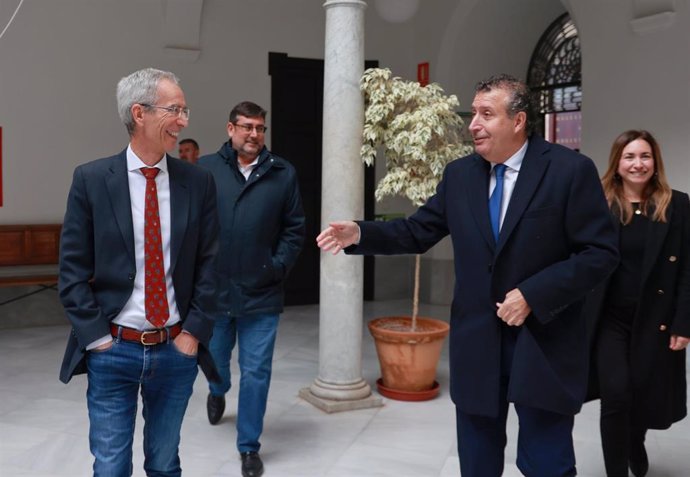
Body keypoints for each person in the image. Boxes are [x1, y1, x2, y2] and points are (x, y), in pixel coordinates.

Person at [317, 74, 619, 477]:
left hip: (544, 343)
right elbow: (417, 230)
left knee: (547, 463)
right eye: (473, 113)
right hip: (478, 343)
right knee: (477, 464)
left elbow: (600, 253)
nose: (473, 123)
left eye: (486, 114)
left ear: (518, 121)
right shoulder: (460, 176)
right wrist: (361, 233)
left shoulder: (569, 170)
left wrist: (533, 294)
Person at [58, 68, 220, 476]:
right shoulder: (92, 180)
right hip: (113, 349)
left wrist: (192, 334)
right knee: (111, 467)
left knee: (165, 465)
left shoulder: (197, 183)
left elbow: (211, 264)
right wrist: (96, 340)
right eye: (175, 110)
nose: (184, 121)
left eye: (185, 110)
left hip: (175, 349)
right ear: (139, 113)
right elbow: (72, 271)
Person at [198, 101, 305, 477]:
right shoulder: (206, 169)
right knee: (214, 359)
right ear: (230, 129)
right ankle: (217, 388)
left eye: (260, 128)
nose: (254, 135)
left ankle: (248, 447)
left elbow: (294, 229)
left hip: (261, 292)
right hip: (215, 292)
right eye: (246, 127)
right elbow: (192, 225)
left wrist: (276, 267)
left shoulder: (282, 173)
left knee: (256, 370)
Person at [587, 130, 690, 477]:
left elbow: (688, 268)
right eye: (629, 156)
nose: (638, 164)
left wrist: (684, 322)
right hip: (609, 319)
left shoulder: (676, 204)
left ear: (655, 162)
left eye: (645, 156)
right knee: (615, 394)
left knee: (643, 393)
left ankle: (635, 439)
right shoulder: (598, 204)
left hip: (655, 318)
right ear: (617, 163)